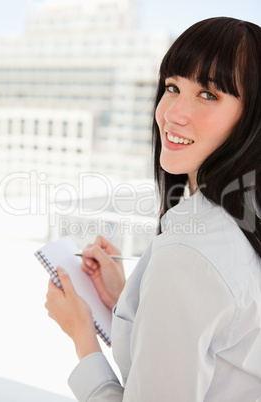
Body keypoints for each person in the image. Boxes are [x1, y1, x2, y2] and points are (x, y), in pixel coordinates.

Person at [45, 17, 261, 401]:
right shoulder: (242, 221)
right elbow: (222, 352)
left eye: (209, 94)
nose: (173, 113)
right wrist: (127, 298)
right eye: (173, 87)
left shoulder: (189, 256)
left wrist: (82, 335)